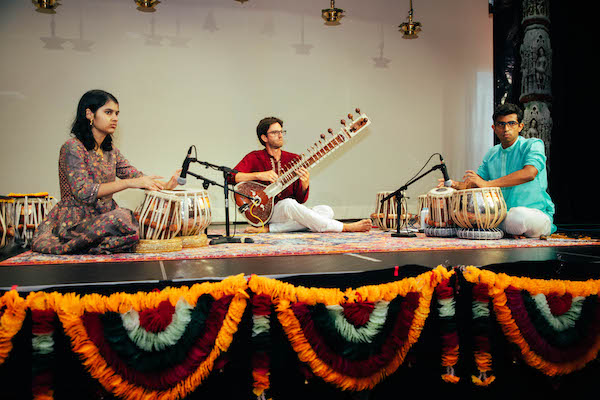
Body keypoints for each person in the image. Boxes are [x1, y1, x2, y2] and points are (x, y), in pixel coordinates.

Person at [32, 90, 179, 254]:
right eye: (108, 112)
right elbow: (84, 192)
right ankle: (84, 245)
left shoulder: (110, 151)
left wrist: (167, 185)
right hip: (75, 224)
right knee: (122, 218)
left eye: (117, 113)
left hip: (103, 217)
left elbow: (135, 176)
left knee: (134, 220)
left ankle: (94, 246)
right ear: (89, 114)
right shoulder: (73, 148)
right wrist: (129, 183)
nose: (115, 118)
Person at [232, 116, 371, 233]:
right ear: (264, 137)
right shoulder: (254, 157)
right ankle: (343, 227)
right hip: (266, 211)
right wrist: (258, 176)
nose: (280, 135)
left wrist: (304, 184)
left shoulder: (294, 159)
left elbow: (300, 200)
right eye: (275, 132)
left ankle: (270, 229)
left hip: (290, 212)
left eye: (281, 131)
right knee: (287, 204)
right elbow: (231, 177)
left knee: (326, 211)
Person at [446, 103, 555, 238]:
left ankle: (496, 227)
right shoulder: (492, 154)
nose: (506, 128)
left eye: (511, 123)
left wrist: (488, 184)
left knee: (517, 218)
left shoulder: (533, 145)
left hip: (535, 215)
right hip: (501, 215)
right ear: (494, 128)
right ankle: (501, 228)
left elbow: (530, 173)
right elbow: (476, 183)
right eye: (501, 124)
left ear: (520, 126)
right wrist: (453, 185)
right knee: (464, 214)